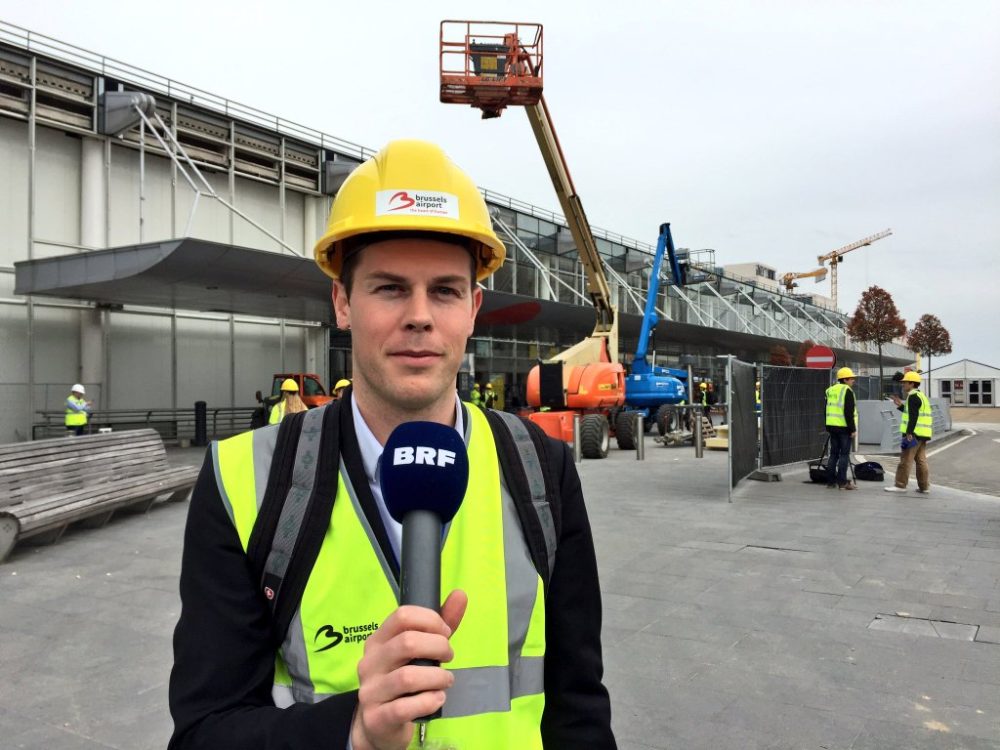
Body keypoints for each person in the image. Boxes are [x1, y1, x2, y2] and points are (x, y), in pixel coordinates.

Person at [168, 139, 616, 750]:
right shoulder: (245, 481)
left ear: (474, 308)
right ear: (342, 302)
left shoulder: (542, 470)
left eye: (445, 291)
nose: (420, 316)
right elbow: (204, 732)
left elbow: (579, 711)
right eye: (389, 288)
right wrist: (352, 731)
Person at [885, 371, 933, 494]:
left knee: (905, 460)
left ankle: (900, 485)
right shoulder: (921, 396)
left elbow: (913, 416)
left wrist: (909, 433)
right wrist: (901, 406)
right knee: (921, 461)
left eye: (905, 383)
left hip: (914, 435)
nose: (903, 385)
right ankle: (924, 487)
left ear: (912, 383)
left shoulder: (912, 397)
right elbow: (912, 413)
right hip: (923, 434)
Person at [824, 367, 857, 491]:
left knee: (833, 454)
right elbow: (848, 412)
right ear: (845, 379)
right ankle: (842, 482)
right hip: (844, 427)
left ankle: (830, 482)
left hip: (832, 426)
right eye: (851, 378)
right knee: (844, 454)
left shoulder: (830, 390)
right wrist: (852, 429)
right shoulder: (847, 391)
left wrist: (827, 426)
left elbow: (826, 409)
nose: (853, 380)